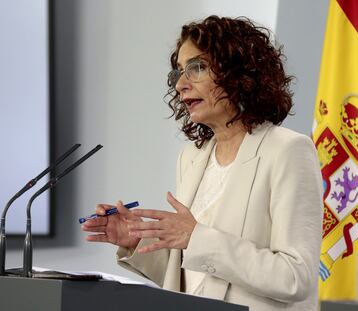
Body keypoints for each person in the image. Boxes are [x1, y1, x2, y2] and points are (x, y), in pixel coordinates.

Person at [81, 15, 323, 311]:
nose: (181, 84)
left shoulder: (287, 150)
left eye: (196, 68)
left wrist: (197, 237)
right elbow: (190, 275)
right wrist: (135, 241)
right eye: (178, 73)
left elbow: (295, 278)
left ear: (239, 72)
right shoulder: (192, 158)